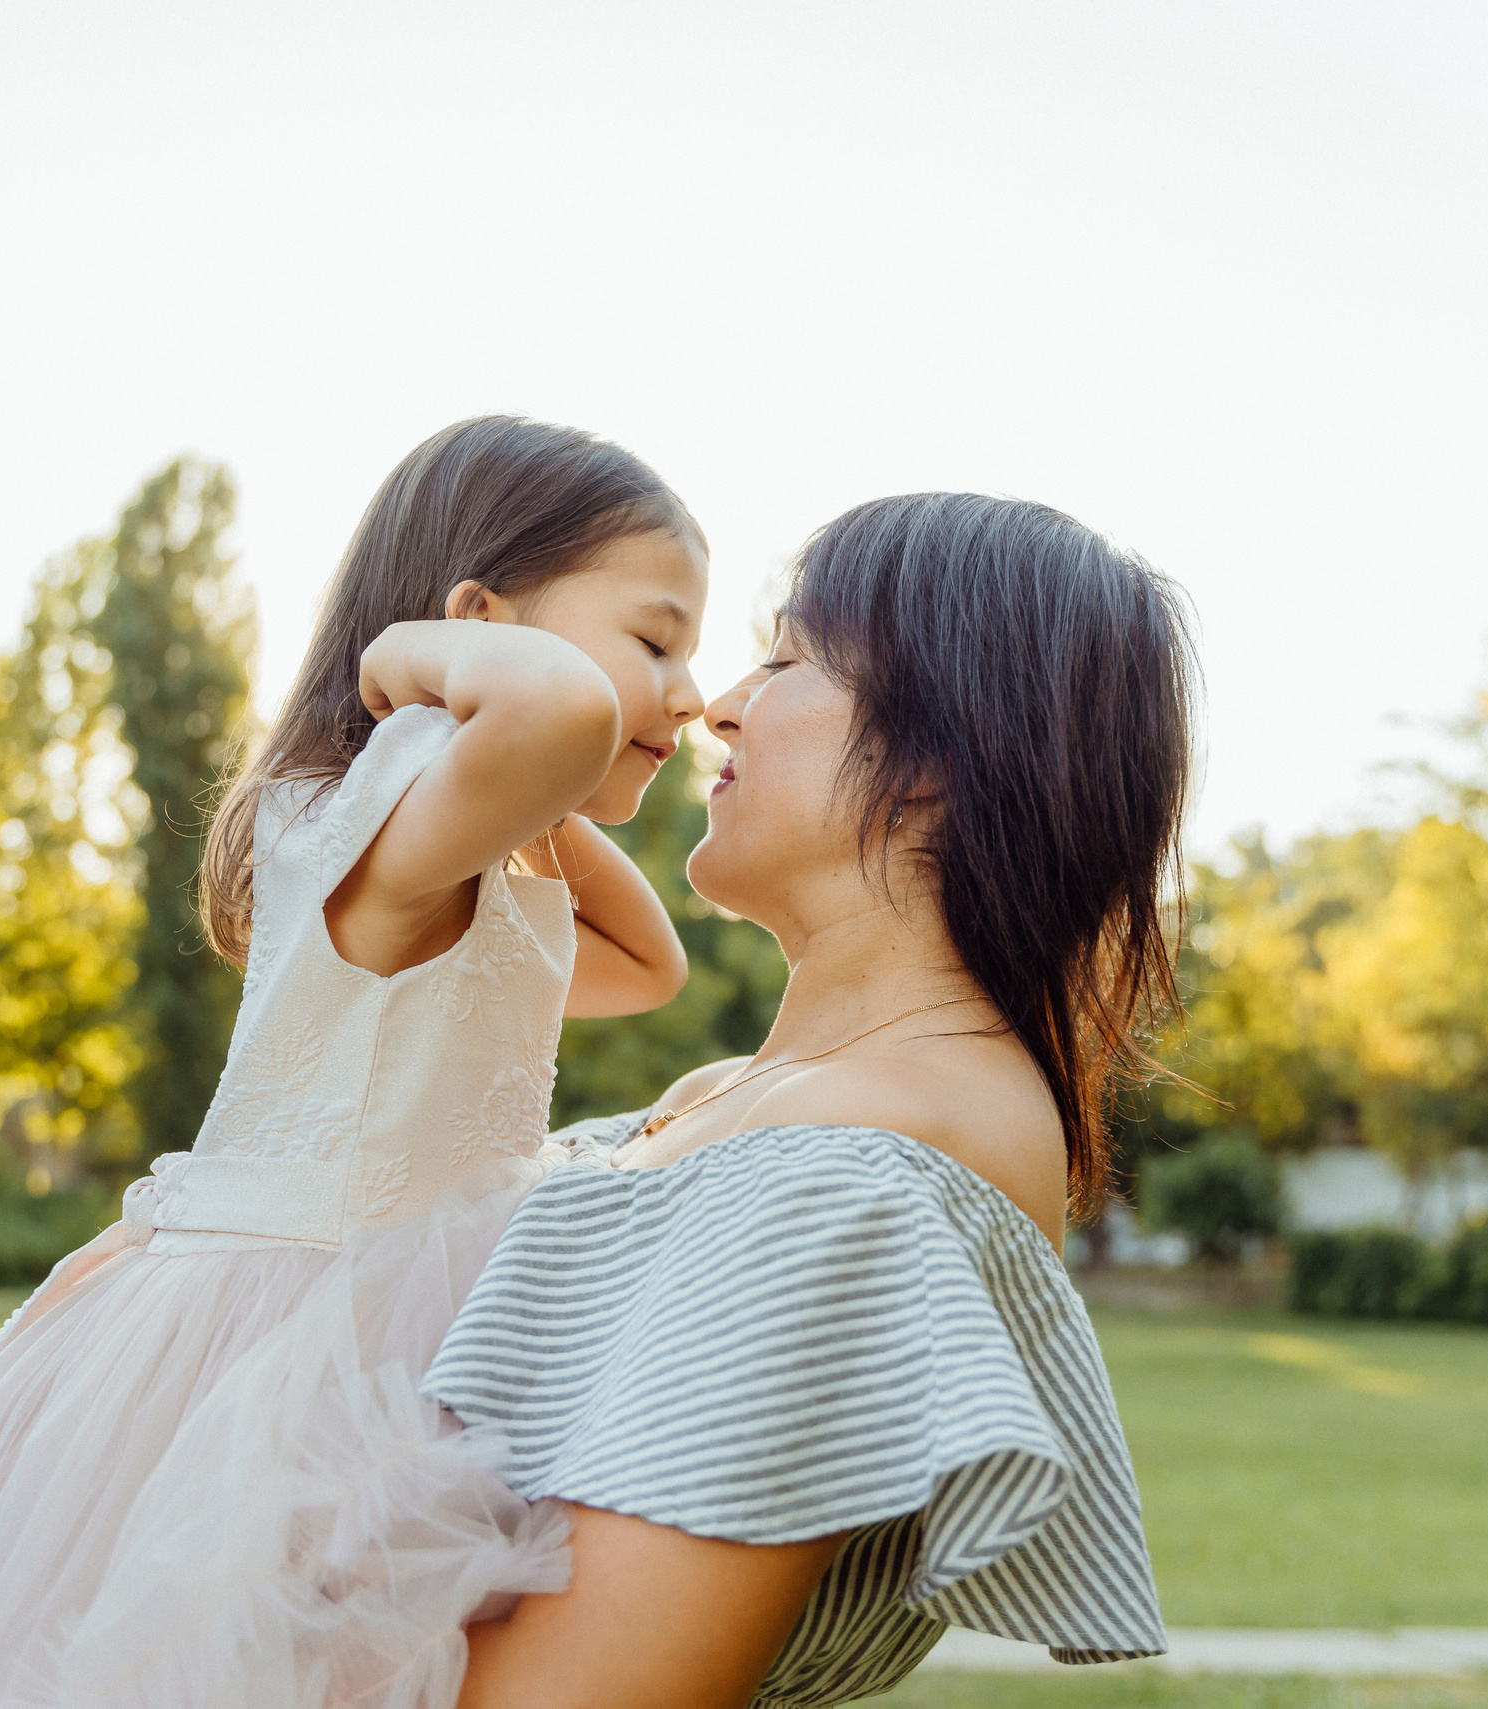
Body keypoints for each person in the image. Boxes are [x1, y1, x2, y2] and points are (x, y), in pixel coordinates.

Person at [0, 416, 709, 1709]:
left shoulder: (465, 842)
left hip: (409, 1313)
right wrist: (418, 661)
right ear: (482, 621)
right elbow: (562, 708)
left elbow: (645, 964)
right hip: (303, 1327)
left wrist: (534, 797)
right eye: (658, 638)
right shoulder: (387, 809)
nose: (686, 689)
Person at [426, 493, 1189, 1708]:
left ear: (939, 755)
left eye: (787, 656)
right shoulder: (733, 1101)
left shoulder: (850, 1183)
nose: (719, 703)